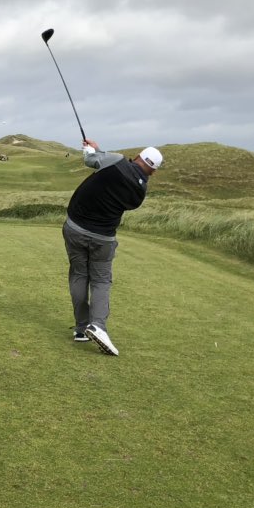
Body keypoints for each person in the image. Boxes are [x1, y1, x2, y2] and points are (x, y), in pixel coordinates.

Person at [62, 139, 163, 356]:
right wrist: (97, 151)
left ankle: (82, 328)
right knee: (100, 281)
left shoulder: (117, 160)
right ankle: (97, 325)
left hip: (75, 227)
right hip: (103, 238)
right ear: (153, 172)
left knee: (79, 274)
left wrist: (90, 150)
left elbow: (91, 160)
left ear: (138, 155)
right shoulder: (140, 192)